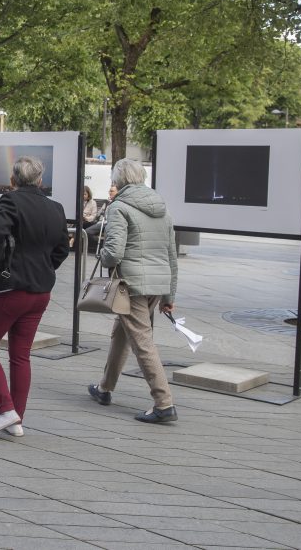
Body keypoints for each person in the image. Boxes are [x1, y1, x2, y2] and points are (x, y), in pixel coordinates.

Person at [0, 156, 70, 437]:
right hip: (41, 291)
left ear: (13, 181)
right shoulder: (56, 208)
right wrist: (44, 267)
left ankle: (5, 409)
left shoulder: (10, 201)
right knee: (21, 355)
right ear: (40, 180)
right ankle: (16, 419)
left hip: (9, 287)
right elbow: (62, 249)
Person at [87, 158, 179, 423]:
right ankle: (105, 388)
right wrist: (169, 297)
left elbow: (113, 253)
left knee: (142, 342)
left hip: (132, 284)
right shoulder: (163, 209)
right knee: (122, 333)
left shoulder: (119, 208)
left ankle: (164, 403)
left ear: (120, 180)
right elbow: (172, 256)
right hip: (156, 285)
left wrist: (101, 255)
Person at [85, 184, 117, 252]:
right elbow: (98, 214)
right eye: (109, 191)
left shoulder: (117, 203)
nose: (109, 192)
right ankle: (100, 245)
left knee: (89, 232)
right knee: (87, 231)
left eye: (112, 191)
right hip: (101, 223)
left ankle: (102, 247)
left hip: (109, 224)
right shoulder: (107, 202)